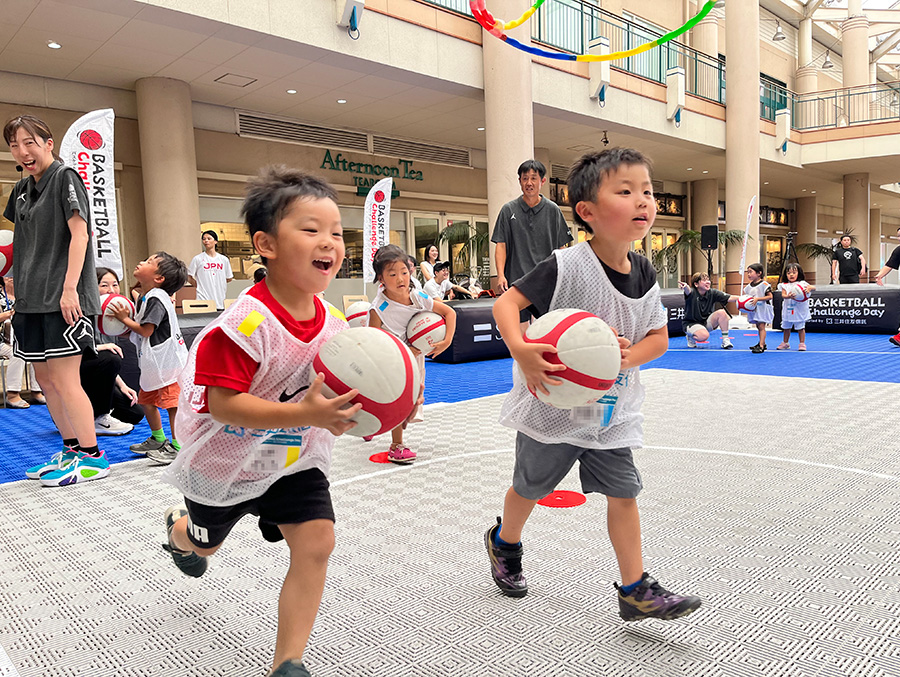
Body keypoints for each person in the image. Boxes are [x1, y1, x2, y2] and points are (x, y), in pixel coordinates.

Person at [159, 165, 409, 677]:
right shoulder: (246, 324)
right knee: (207, 543)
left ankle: (288, 662)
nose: (329, 242)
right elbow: (224, 403)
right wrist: (305, 412)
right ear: (265, 244)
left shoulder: (337, 326)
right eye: (311, 229)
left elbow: (345, 389)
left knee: (317, 541)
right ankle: (180, 532)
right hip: (223, 464)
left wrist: (363, 407)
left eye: (337, 233)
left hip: (294, 459)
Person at [486, 147, 701, 621]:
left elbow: (659, 337)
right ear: (587, 212)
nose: (643, 201)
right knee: (529, 489)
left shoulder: (645, 271)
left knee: (624, 494)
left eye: (647, 190)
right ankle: (505, 543)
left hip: (610, 413)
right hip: (553, 409)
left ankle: (634, 589)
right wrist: (521, 348)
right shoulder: (564, 265)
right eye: (625, 191)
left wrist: (627, 357)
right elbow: (506, 306)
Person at [3, 114, 108, 487]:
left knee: (65, 380)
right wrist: (14, 284)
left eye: (30, 142)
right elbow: (21, 243)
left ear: (49, 143)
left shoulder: (66, 177)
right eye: (14, 144)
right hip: (31, 299)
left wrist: (69, 289)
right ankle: (72, 448)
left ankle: (93, 455)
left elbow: (79, 236)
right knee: (46, 382)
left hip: (64, 297)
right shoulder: (20, 190)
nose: (22, 151)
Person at [368, 243, 456, 465]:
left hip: (416, 358)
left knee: (412, 403)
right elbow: (373, 342)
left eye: (404, 272)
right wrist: (400, 350)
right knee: (400, 400)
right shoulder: (379, 308)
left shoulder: (418, 297)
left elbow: (449, 312)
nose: (400, 278)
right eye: (393, 274)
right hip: (393, 360)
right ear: (381, 278)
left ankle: (372, 421)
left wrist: (446, 341)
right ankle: (396, 445)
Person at [116, 252, 189, 464]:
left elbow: (146, 330)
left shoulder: (157, 298)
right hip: (154, 363)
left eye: (149, 262)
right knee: (147, 401)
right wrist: (126, 329)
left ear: (159, 278)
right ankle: (158, 439)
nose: (141, 261)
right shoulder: (147, 296)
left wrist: (123, 319)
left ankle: (178, 445)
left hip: (168, 363)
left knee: (172, 404)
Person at [491, 159, 572, 323]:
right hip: (516, 281)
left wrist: (564, 275)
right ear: (519, 181)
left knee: (546, 327)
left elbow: (562, 247)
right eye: (525, 178)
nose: (529, 183)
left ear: (542, 181)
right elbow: (501, 245)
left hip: (546, 281)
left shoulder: (553, 210)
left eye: (534, 178)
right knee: (520, 329)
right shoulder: (508, 210)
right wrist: (500, 275)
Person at [84, 267, 143, 435]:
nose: (111, 290)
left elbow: (106, 364)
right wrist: (98, 347)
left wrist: (123, 386)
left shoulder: (112, 317)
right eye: (104, 285)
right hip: (78, 374)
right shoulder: (82, 312)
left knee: (134, 413)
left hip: (99, 373)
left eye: (115, 285)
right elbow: (74, 351)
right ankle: (95, 417)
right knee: (111, 356)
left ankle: (87, 416)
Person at [1, 276, 45, 408]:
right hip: (2, 341)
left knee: (36, 351)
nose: (11, 278)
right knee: (17, 353)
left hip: (23, 337)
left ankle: (37, 392)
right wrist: (6, 315)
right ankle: (12, 394)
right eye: (7, 275)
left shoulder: (26, 295)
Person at [678, 272, 740, 349]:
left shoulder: (712, 292)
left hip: (706, 322)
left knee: (722, 313)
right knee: (704, 336)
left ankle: (725, 340)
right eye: (704, 280)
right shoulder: (692, 292)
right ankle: (691, 336)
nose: (708, 282)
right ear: (696, 284)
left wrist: (746, 298)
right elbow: (688, 290)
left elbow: (730, 298)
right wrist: (685, 286)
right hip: (691, 324)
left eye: (708, 280)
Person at [188, 230, 234, 310]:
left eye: (209, 238)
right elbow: (188, 276)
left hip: (220, 301)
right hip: (202, 300)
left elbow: (229, 278)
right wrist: (198, 285)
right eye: (204, 239)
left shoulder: (223, 259)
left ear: (215, 241)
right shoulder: (198, 259)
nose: (206, 241)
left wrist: (219, 281)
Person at [777, 262, 815, 351]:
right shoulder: (784, 285)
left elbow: (813, 287)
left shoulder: (802, 283)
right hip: (788, 309)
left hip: (799, 309)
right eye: (789, 273)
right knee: (786, 327)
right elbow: (783, 295)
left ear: (799, 273)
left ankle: (802, 343)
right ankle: (785, 343)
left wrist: (810, 288)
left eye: (794, 272)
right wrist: (788, 296)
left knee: (800, 327)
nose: (791, 275)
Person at [874, 227, 900, 347]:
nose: (899, 238)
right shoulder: (898, 250)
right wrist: (879, 276)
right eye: (898, 236)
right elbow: (889, 265)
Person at [742, 263, 774, 353]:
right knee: (758, 326)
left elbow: (770, 296)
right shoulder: (748, 287)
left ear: (759, 273)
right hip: (754, 310)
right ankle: (761, 342)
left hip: (763, 308)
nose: (748, 274)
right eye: (747, 272)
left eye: (751, 272)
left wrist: (758, 299)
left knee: (761, 326)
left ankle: (761, 346)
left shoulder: (764, 284)